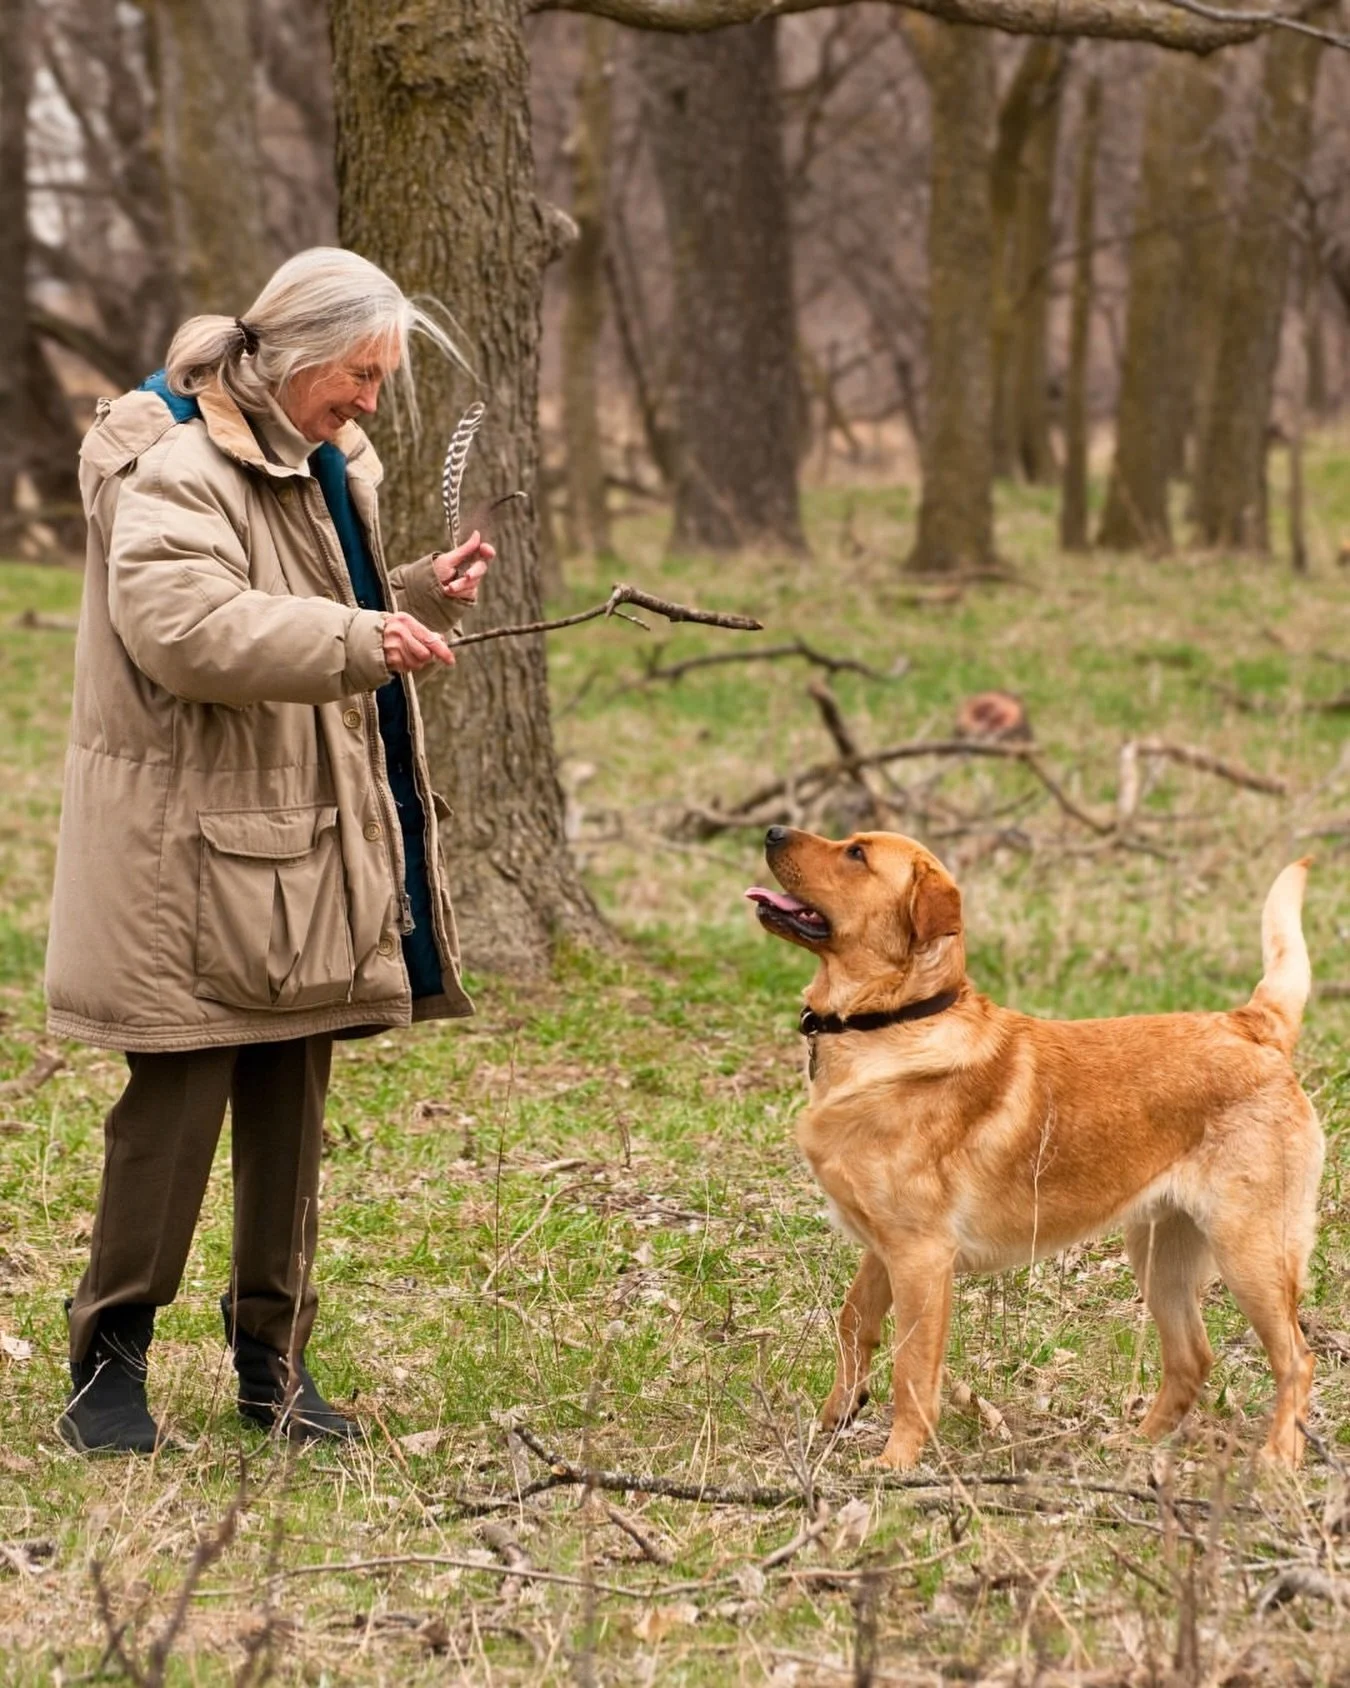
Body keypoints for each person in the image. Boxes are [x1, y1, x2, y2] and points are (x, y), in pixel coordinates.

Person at [45, 247, 494, 1453]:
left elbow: (316, 601)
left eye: (382, 379)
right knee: (173, 1115)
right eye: (360, 375)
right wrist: (362, 637)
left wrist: (416, 595)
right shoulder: (177, 465)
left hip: (303, 841)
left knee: (293, 1115)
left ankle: (274, 1366)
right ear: (293, 357)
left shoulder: (324, 461)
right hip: (184, 858)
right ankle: (108, 1369)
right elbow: (186, 627)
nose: (371, 401)